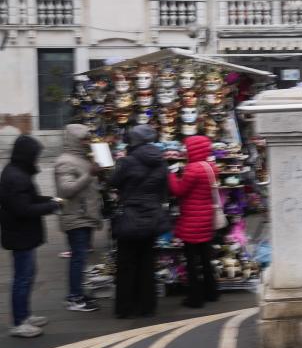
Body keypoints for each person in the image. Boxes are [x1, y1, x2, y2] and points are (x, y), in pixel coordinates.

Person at [0, 135, 62, 337]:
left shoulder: (18, 173)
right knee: (22, 279)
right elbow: (23, 208)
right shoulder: (16, 177)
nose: (36, 159)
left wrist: (50, 199)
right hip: (20, 235)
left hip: (23, 234)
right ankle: (19, 322)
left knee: (27, 276)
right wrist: (51, 206)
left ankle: (25, 316)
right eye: (35, 155)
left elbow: (30, 198)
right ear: (27, 155)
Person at [109, 125, 169, 318]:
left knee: (126, 263)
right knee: (147, 262)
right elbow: (163, 189)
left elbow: (113, 182)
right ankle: (147, 306)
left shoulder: (127, 161)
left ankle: (125, 308)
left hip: (130, 216)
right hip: (152, 216)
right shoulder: (160, 161)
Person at [54, 124, 103, 313]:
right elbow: (66, 190)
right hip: (75, 217)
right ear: (75, 140)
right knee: (78, 258)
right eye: (84, 139)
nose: (87, 142)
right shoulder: (65, 161)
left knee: (81, 259)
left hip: (85, 215)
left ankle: (78, 293)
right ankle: (74, 297)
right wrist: (89, 175)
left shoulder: (81, 158)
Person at [167, 135, 219, 308]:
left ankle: (195, 298)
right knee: (206, 259)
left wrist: (172, 175)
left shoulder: (192, 169)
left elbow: (179, 190)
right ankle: (212, 292)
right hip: (206, 218)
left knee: (191, 261)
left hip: (192, 221)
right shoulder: (211, 167)